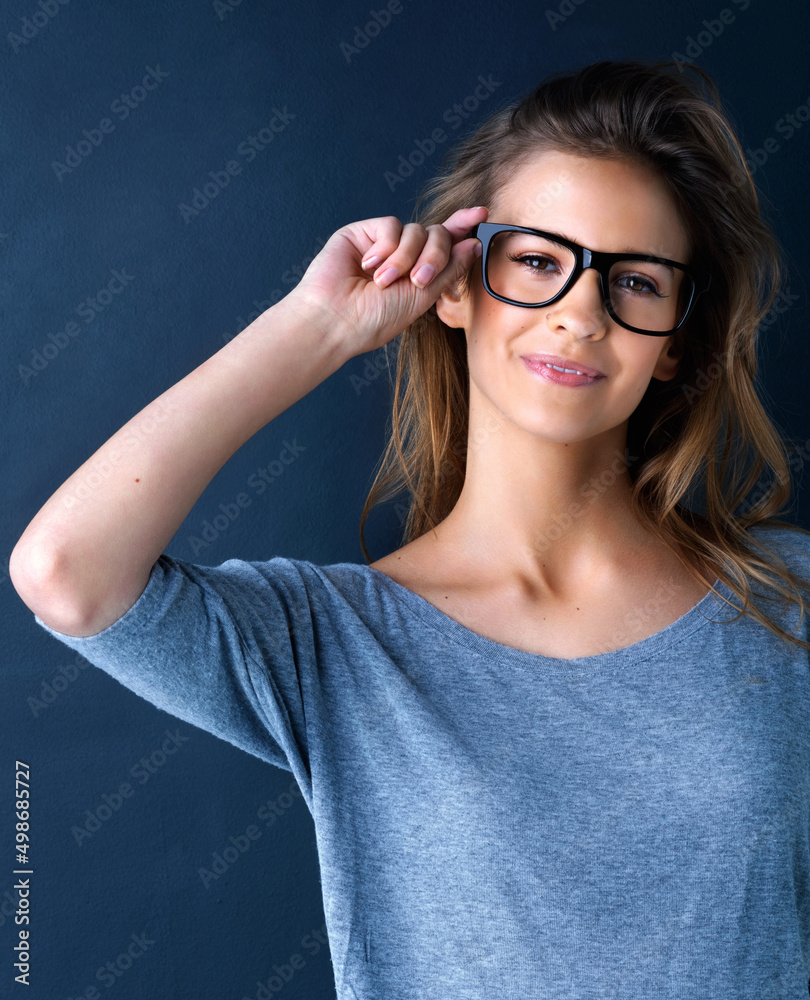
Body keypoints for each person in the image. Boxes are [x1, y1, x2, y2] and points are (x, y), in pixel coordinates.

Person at [11, 59, 810, 997]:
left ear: (674, 336)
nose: (580, 313)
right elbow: (67, 571)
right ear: (458, 284)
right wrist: (320, 323)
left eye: (634, 281)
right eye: (539, 262)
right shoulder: (338, 642)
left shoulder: (786, 602)